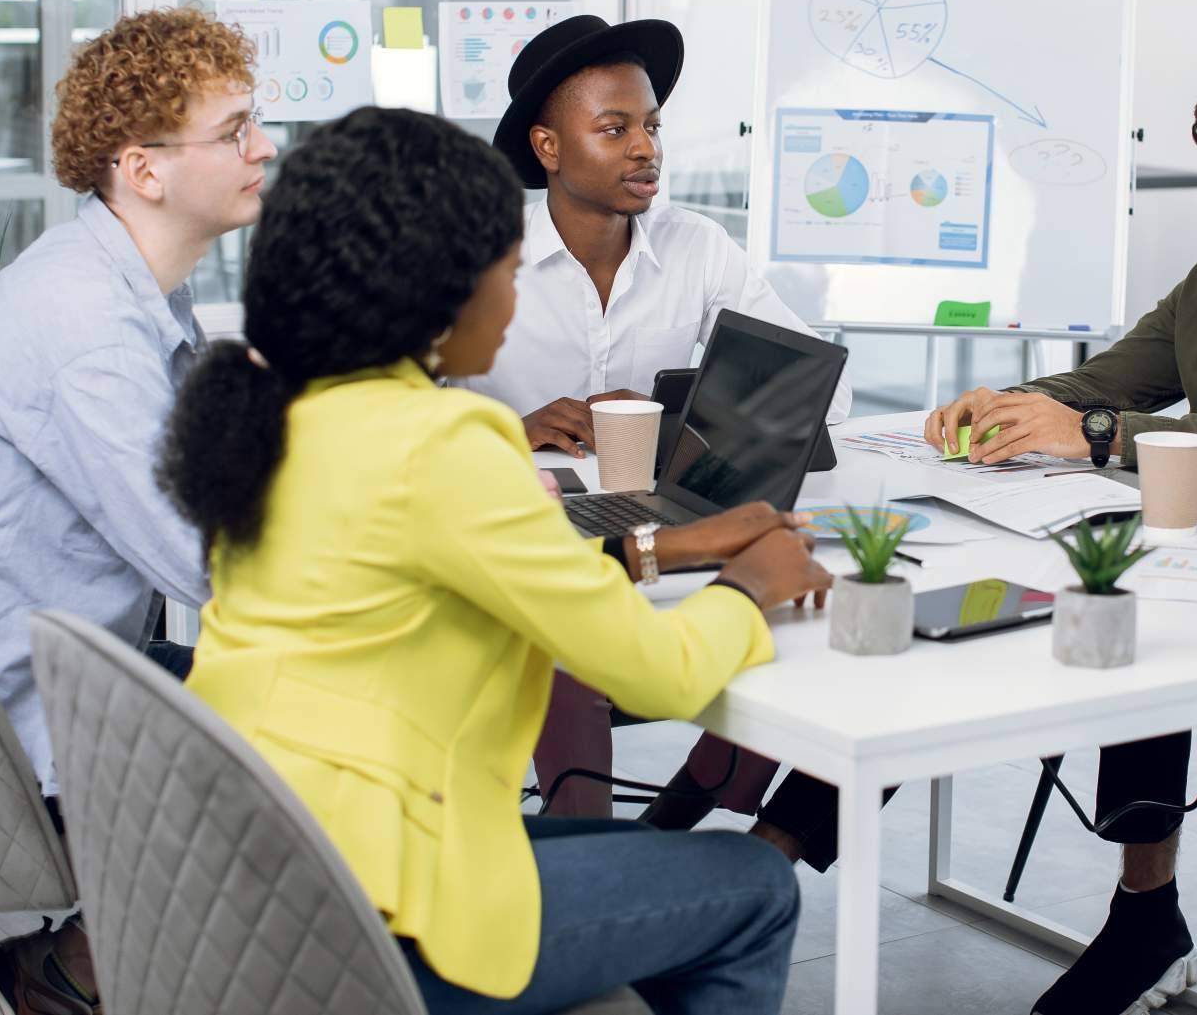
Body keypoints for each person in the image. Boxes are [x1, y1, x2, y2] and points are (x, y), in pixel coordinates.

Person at [753, 69, 1197, 1015]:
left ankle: (1143, 916)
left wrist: (1104, 436)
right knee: (981, 607)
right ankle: (770, 857)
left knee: (1140, 622)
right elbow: (1112, 379)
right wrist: (1020, 403)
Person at [160, 107, 825, 1014]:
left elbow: (483, 570)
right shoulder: (442, 441)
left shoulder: (285, 409)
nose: (513, 305)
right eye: (509, 275)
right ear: (442, 288)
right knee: (754, 885)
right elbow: (662, 674)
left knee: (590, 848)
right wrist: (752, 586)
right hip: (373, 917)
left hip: (263, 863)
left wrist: (658, 547)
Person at [0, 7, 275, 1015]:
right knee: (328, 722)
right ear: (144, 169)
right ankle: (75, 970)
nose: (264, 149)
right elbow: (207, 562)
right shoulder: (87, 332)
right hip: (8, 741)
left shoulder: (127, 290)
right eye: (235, 131)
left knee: (311, 697)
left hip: (32, 685)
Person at [463, 13, 848, 826]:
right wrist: (510, 426)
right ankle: (587, 841)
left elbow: (824, 389)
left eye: (652, 126)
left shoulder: (698, 247)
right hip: (517, 530)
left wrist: (675, 425)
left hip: (658, 521)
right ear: (548, 147)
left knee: (799, 587)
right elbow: (409, 398)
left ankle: (692, 806)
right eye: (615, 128)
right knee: (560, 642)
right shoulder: (481, 252)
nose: (647, 148)